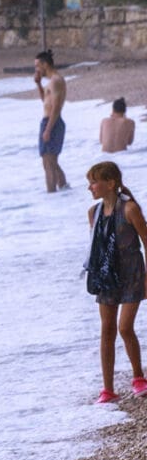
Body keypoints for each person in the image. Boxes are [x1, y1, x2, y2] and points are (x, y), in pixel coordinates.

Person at [84, 161, 147, 403]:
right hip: (107, 277)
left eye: (94, 182)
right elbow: (97, 248)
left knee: (125, 327)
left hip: (132, 275)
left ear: (110, 183)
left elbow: (146, 242)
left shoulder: (129, 209)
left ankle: (138, 377)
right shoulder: (94, 212)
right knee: (107, 329)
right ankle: (108, 389)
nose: (90, 187)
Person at [34, 49, 68, 193]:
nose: (36, 69)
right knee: (51, 162)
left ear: (45, 65)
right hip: (50, 122)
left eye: (37, 66)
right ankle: (63, 190)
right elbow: (46, 101)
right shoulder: (51, 82)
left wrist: (48, 129)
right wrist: (38, 84)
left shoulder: (56, 81)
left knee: (48, 163)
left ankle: (52, 194)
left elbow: (56, 107)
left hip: (52, 122)